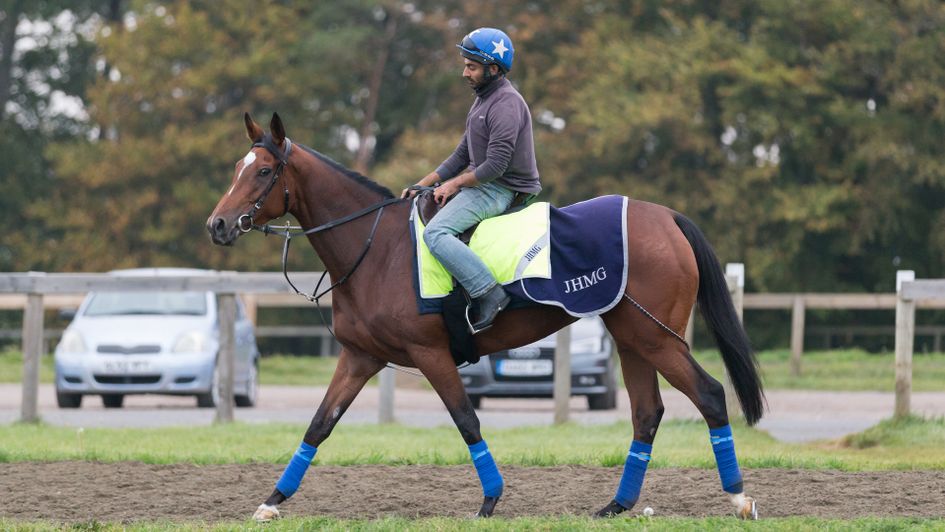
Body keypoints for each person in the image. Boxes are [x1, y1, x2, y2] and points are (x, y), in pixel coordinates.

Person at [403, 27, 541, 332]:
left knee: (436, 234)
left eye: (472, 67)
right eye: (465, 65)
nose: (464, 72)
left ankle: (489, 293)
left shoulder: (505, 104)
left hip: (501, 189)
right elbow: (462, 154)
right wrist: (424, 183)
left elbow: (494, 166)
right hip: (484, 183)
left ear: (493, 69)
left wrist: (453, 184)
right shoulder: (483, 99)